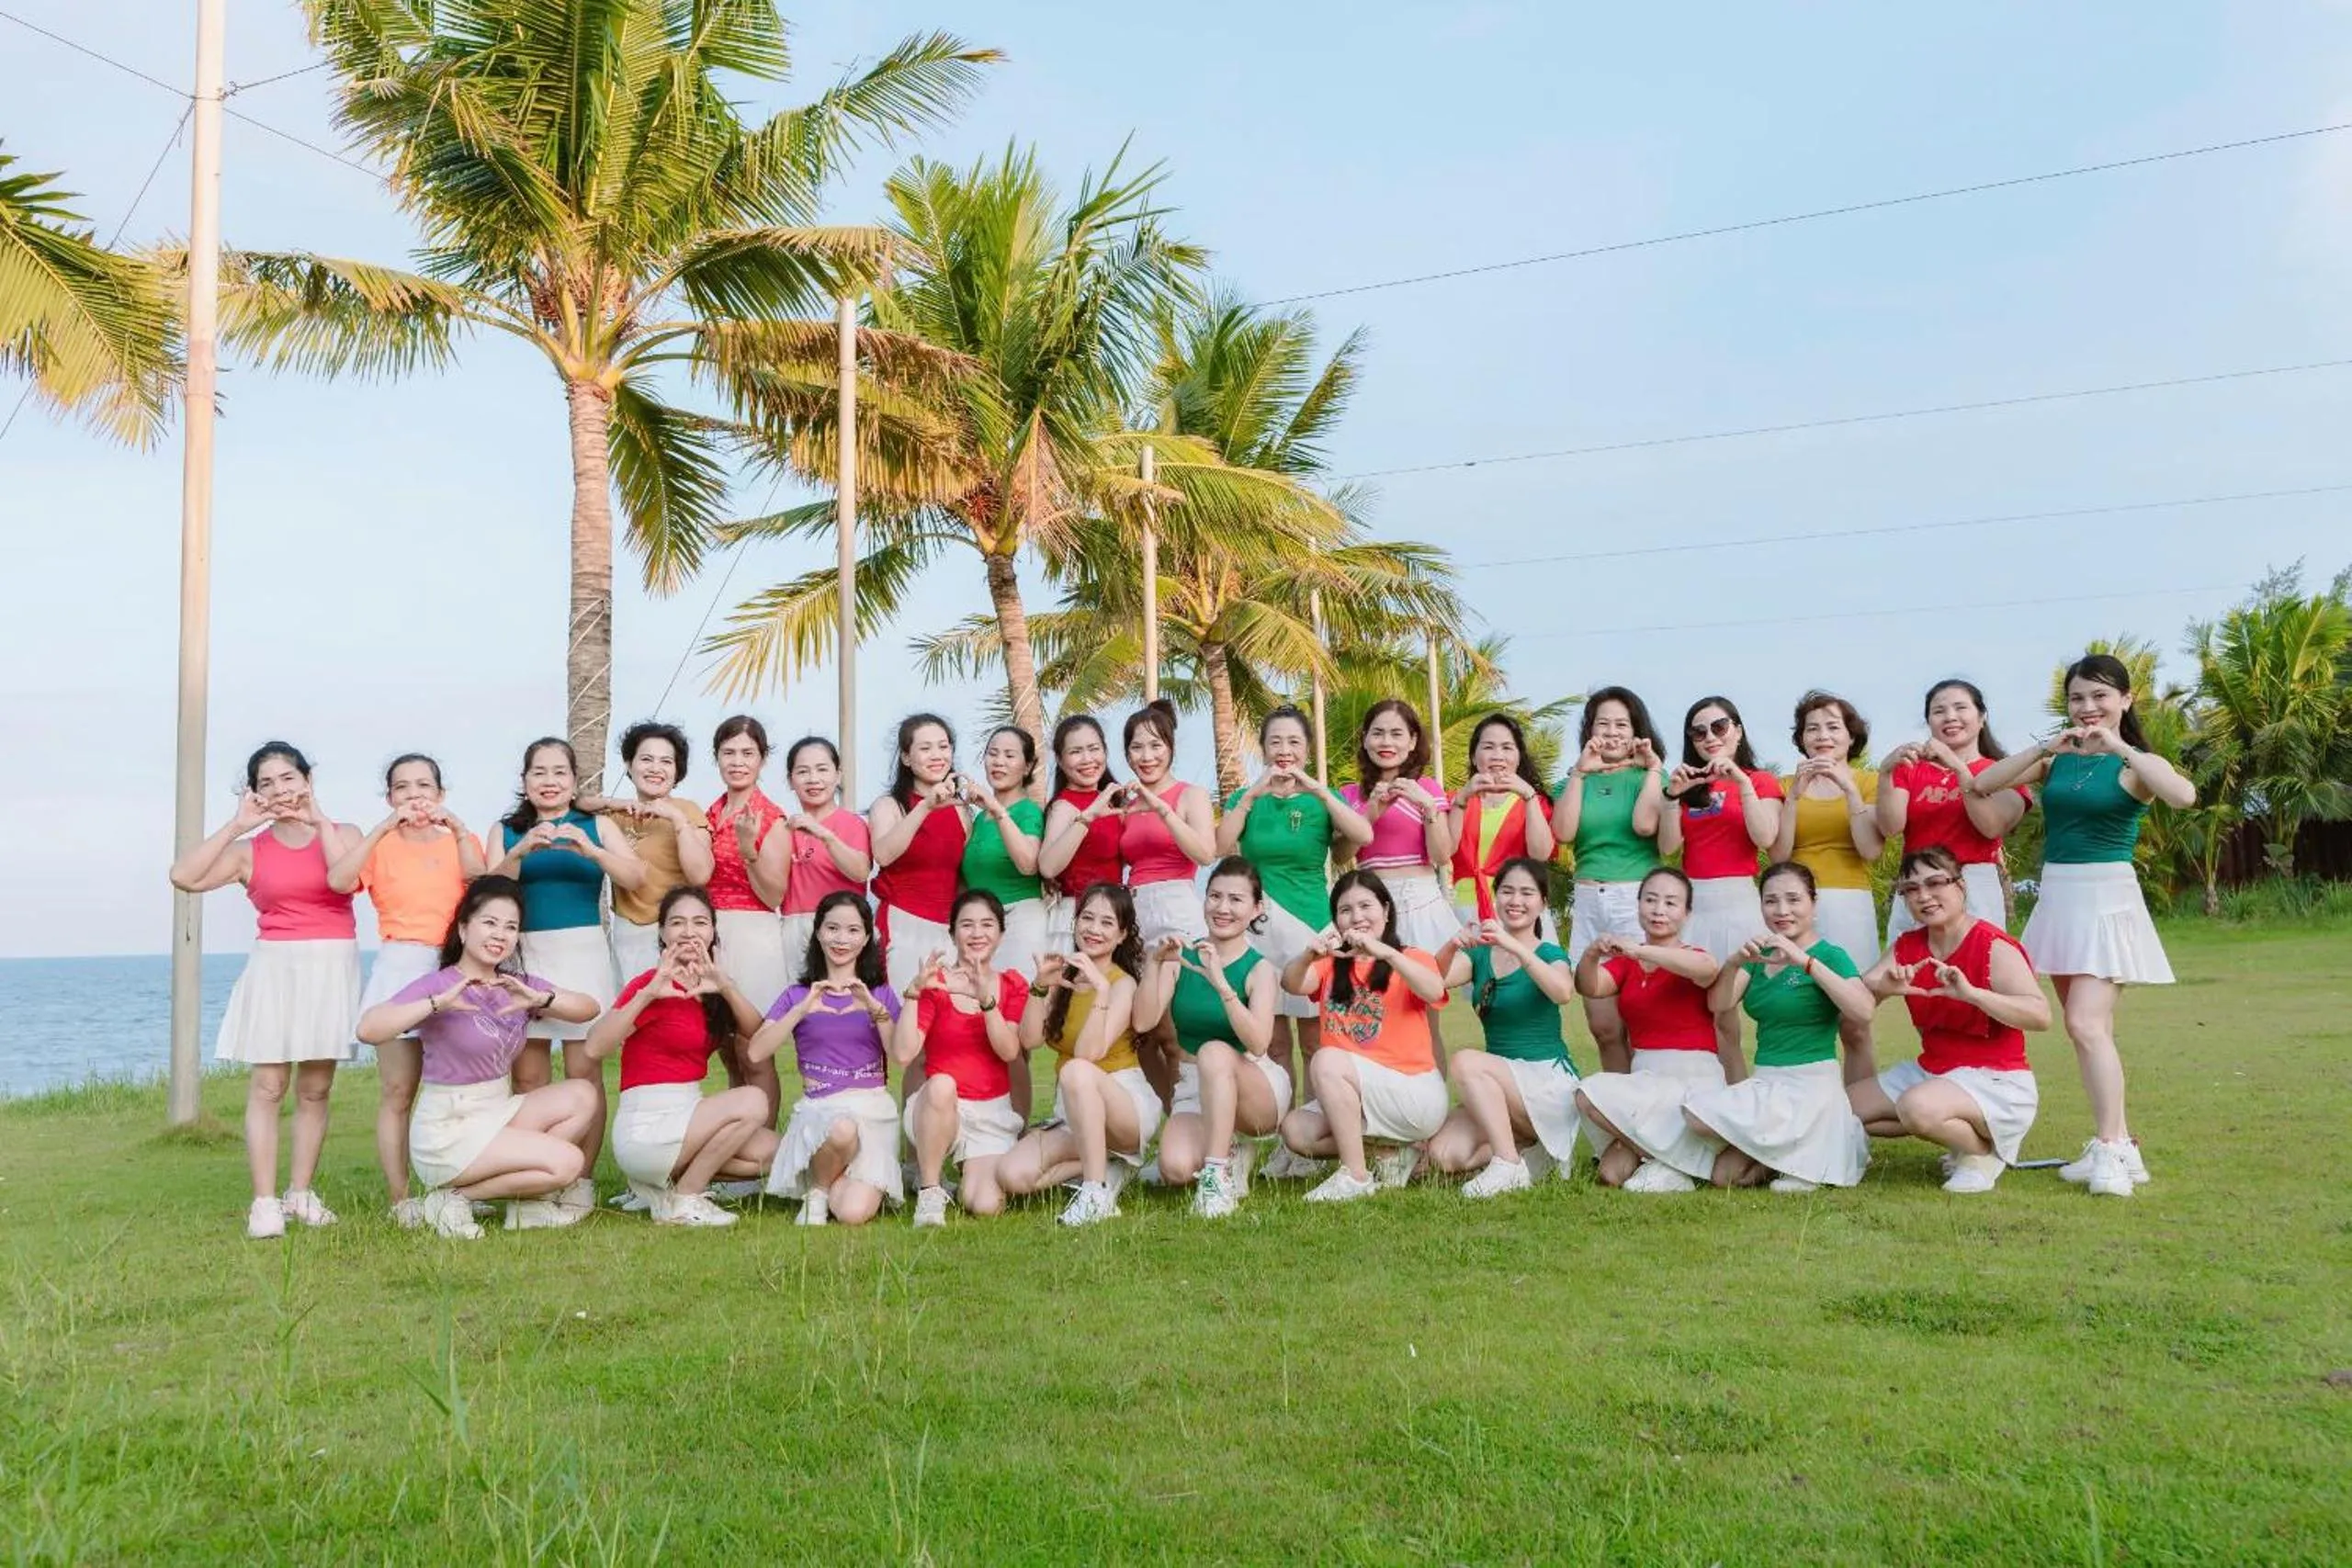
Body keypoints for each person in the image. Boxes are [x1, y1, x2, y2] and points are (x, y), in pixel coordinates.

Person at [1973, 653, 2193, 1197]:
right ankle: (2118, 1145)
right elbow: (1984, 784)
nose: (2088, 707)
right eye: (2078, 698)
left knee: (2085, 1026)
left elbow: (2183, 795)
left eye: (2100, 696)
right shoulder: (2059, 759)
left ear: (2125, 700)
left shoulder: (2132, 765)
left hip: (2107, 900)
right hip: (2060, 898)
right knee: (2090, 1032)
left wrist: (2121, 747)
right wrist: (2047, 746)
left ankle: (2114, 1149)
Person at [170, 742, 367, 1239]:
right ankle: (264, 1202)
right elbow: (183, 876)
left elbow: (345, 884)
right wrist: (238, 825)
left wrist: (318, 821)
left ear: (307, 778)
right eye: (266, 783)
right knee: (269, 1086)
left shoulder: (344, 833)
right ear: (253, 793)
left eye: (288, 778)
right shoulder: (247, 852)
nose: (280, 790)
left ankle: (300, 1192)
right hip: (277, 969)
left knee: (316, 1088)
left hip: (332, 964)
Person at [355, 875, 603, 1239]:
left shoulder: (516, 985)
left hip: (495, 1112)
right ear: (464, 928)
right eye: (489, 923)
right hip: (448, 1127)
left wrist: (540, 1000)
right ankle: (453, 1197)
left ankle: (525, 1206)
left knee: (583, 1094)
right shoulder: (440, 985)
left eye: (510, 927)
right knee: (568, 1163)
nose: (499, 935)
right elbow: (369, 1029)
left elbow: (588, 1008)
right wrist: (437, 1005)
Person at [326, 752, 486, 1225]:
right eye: (402, 787)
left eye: (424, 785)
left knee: (460, 1088)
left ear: (440, 793)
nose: (414, 795)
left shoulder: (462, 838)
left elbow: (482, 879)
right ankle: (401, 1199)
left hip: (454, 967)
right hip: (399, 967)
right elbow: (339, 881)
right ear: (390, 796)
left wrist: (455, 827)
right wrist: (381, 828)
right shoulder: (381, 845)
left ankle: (461, 1187)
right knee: (398, 1091)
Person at [489, 737, 643, 1184]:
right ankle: (537, 1171)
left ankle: (583, 1179)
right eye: (539, 772)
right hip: (525, 956)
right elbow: (486, 890)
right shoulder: (507, 830)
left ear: (575, 781)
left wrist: (591, 850)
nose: (550, 781)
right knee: (529, 1077)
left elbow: (636, 878)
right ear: (525, 781)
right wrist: (519, 852)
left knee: (584, 1074)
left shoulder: (596, 825)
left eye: (560, 772)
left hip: (583, 953)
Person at [1854, 848, 2052, 1194]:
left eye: (1935, 883)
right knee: (1843, 1110)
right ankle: (1959, 1138)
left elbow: (2040, 1015)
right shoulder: (1907, 945)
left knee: (1916, 1108)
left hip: (1997, 1081)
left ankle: (1981, 1153)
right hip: (1933, 1071)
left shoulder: (1993, 945)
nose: (1924, 896)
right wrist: (1882, 988)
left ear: (1960, 886)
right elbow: (1858, 999)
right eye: (1911, 889)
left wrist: (1974, 994)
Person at [1679, 863, 1876, 1191]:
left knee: (1783, 1184)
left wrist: (1806, 962)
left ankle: (1831, 1140)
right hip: (1767, 1081)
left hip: (1812, 1085)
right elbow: (1719, 1004)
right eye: (1771, 901)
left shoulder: (1830, 954)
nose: (1782, 911)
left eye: (1793, 899)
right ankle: (1791, 1155)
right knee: (1721, 1169)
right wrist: (1734, 962)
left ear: (1813, 903)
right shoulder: (1762, 957)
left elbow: (1863, 1010)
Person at [586, 886, 775, 1228]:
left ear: (713, 932)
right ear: (661, 933)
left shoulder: (714, 988)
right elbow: (595, 1047)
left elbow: (759, 1037)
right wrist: (649, 993)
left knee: (769, 1153)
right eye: (677, 923)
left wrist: (726, 987)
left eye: (700, 922)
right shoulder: (649, 985)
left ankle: (658, 1186)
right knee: (752, 1101)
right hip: (645, 1126)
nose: (689, 932)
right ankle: (687, 1198)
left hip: (687, 1118)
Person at [1216, 705, 1372, 1090]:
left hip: (1311, 925)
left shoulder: (1323, 798)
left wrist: (1317, 788)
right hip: (1257, 925)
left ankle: (1316, 1125)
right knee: (1272, 1042)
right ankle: (1281, 1127)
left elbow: (1363, 835)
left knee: (1315, 1039)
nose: (1284, 749)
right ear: (1264, 749)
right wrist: (1252, 795)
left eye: (1294, 742)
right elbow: (1220, 847)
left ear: (1306, 748)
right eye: (1275, 741)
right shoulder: (1245, 797)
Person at [1277, 871, 1452, 1203]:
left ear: (1386, 911)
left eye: (1365, 906)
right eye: (1345, 910)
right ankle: (1389, 1153)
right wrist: (1307, 957)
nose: (1356, 917)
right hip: (1356, 1091)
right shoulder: (1333, 964)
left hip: (1412, 1092)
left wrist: (1385, 953)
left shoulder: (1412, 958)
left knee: (1326, 1059)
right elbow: (1292, 984)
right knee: (1296, 1130)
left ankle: (1354, 1176)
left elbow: (1434, 989)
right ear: (1336, 920)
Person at [998, 885, 1158, 1225]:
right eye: (1087, 918)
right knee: (1013, 1176)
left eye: (1106, 923)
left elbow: (1088, 1054)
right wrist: (1041, 987)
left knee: (1075, 1070)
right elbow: (1029, 1039)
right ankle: (1110, 1166)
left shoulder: (1122, 983)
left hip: (1122, 1105)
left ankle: (1094, 1191)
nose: (1093, 929)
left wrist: (1100, 988)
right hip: (1073, 1109)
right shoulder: (1064, 976)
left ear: (1122, 935)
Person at [1138, 858, 1286, 1218]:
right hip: (1194, 1086)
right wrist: (1155, 966)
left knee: (1215, 1052)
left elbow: (1258, 1043)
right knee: (1174, 1168)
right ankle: (1230, 1152)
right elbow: (1143, 1022)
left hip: (1255, 1086)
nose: (1223, 908)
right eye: (1215, 896)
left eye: (1236, 900)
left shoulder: (1259, 969)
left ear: (1256, 909)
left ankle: (1215, 1176)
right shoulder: (1181, 956)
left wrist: (1220, 982)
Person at [1424, 858, 1581, 1198]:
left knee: (1465, 1060)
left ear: (1543, 903)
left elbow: (1562, 991)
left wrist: (1515, 948)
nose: (1516, 901)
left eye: (1527, 893)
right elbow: (1432, 984)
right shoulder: (1481, 956)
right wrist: (1452, 944)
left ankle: (1507, 1163)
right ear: (1496, 898)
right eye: (1507, 891)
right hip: (1500, 1083)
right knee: (1444, 1155)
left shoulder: (1550, 952)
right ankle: (1528, 1153)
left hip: (1546, 1080)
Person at [749, 891, 902, 1227]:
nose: (841, 939)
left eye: (852, 931)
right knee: (842, 1129)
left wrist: (875, 1010)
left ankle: (832, 1176)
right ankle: (818, 1191)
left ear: (865, 938)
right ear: (818, 933)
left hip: (873, 1108)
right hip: (821, 1109)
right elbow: (756, 1052)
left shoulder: (881, 995)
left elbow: (900, 1055)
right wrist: (800, 1011)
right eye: (832, 928)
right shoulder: (797, 994)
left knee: (853, 1214)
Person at [1572, 868, 1726, 1191]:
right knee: (1611, 1173)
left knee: (1591, 1097)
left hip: (1691, 1078)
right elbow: (1590, 985)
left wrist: (1639, 949)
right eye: (1651, 900)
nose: (1659, 910)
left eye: (1671, 903)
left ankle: (1676, 1162)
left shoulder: (1692, 956)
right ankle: (1668, 1159)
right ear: (1638, 904)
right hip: (1646, 1077)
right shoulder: (1626, 963)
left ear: (1686, 913)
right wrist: (1590, 954)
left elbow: (1709, 970)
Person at [893, 889, 1028, 1226]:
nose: (977, 933)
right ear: (952, 932)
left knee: (983, 1204)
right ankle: (930, 1190)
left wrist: (986, 1001)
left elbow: (1009, 1051)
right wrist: (913, 993)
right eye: (967, 925)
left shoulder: (1012, 984)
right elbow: (904, 1053)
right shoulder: (935, 983)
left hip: (989, 1112)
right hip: (939, 1107)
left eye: (987, 925)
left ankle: (961, 1179)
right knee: (941, 1085)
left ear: (1001, 934)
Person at [1549, 686, 1668, 1073]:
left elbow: (1645, 824)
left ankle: (1648, 1114)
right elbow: (1564, 832)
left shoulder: (1651, 776)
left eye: (1622, 724)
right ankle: (1619, 1112)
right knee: (1603, 1026)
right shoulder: (1572, 781)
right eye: (1604, 724)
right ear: (1589, 730)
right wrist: (1582, 772)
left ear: (1637, 731)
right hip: (1588, 901)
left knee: (1642, 1019)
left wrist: (1652, 769)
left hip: (1635, 899)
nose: (1613, 732)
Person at [1657, 695, 1782, 1055]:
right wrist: (1671, 798)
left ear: (1738, 731)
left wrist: (1742, 783)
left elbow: (1765, 837)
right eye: (1698, 732)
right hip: (1695, 904)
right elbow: (1668, 847)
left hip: (1740, 901)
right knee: (1706, 1017)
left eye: (1719, 727)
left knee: (1735, 1011)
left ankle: (1744, 1095)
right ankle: (1715, 1097)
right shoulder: (1688, 786)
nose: (1710, 737)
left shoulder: (1760, 781)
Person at [1770, 691, 1883, 1083]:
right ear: (1800, 738)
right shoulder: (1783, 784)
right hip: (1793, 906)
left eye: (1833, 727)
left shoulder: (1870, 782)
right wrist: (1794, 798)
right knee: (1798, 1010)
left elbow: (1870, 849)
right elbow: (1778, 856)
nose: (1822, 735)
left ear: (1851, 737)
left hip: (1850, 901)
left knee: (1854, 1022)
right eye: (1812, 728)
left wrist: (1849, 789)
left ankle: (1858, 1117)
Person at [1337, 701, 1459, 1064]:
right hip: (1370, 907)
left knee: (1425, 1014)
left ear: (1412, 741)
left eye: (1396, 733)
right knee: (1372, 1009)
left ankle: (1431, 1102)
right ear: (1365, 739)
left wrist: (1429, 809)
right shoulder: (1349, 795)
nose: (1386, 742)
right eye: (1377, 733)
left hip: (1422, 902)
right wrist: (1371, 810)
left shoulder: (1428, 788)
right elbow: (1343, 855)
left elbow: (1441, 856)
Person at [1876, 678, 2029, 939]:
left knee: (1974, 968)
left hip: (1974, 883)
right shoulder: (1909, 769)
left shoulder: (2001, 771)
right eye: (1939, 711)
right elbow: (1891, 827)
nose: (1950, 717)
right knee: (1909, 971)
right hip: (1918, 881)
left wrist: (1958, 767)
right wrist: (1885, 774)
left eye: (1960, 708)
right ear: (1929, 722)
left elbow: (1991, 827)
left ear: (1981, 718)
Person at [702, 715, 790, 1121]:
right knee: (725, 1046)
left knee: (751, 1049)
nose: (737, 761)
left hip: (753, 932)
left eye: (747, 753)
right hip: (712, 934)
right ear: (717, 758)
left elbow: (774, 893)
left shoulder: (771, 817)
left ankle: (764, 1147)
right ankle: (740, 1143)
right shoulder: (710, 811)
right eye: (728, 753)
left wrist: (748, 848)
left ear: (762, 759)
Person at [581, 720, 712, 983]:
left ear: (677, 771)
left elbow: (700, 875)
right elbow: (575, 802)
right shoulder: (616, 816)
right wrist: (614, 802)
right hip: (627, 932)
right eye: (646, 759)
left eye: (666, 761)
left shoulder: (687, 811)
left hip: (674, 934)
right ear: (630, 765)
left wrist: (675, 819)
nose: (655, 768)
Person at [868, 714, 969, 999]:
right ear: (906, 757)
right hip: (903, 924)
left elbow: (961, 876)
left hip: (948, 930)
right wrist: (925, 807)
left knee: (946, 1019)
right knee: (904, 1013)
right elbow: (884, 854)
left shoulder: (961, 810)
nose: (937, 755)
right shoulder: (888, 805)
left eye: (943, 746)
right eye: (925, 749)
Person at [1446, 714, 1557, 931]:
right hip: (1464, 909)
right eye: (1488, 747)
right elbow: (1444, 850)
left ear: (1518, 757)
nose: (1498, 756)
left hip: (1517, 907)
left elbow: (1541, 853)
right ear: (1473, 756)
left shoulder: (1536, 802)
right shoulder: (1454, 800)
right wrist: (1461, 800)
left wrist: (1529, 796)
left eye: (1507, 748)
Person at [963, 726, 1050, 979]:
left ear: (1027, 766)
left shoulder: (1029, 812)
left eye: (1010, 756)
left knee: (1016, 1003)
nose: (999, 762)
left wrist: (997, 809)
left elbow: (1028, 864)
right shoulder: (979, 820)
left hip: (1020, 921)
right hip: (981, 926)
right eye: (993, 753)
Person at [775, 736, 872, 964]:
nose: (813, 779)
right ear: (790, 780)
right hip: (793, 927)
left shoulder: (853, 823)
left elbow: (860, 871)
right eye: (802, 772)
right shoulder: (784, 828)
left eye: (822, 769)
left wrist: (824, 835)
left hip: (841, 929)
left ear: (838, 775)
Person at [1037, 714, 1126, 948]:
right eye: (1076, 752)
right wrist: (1086, 818)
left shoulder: (1113, 803)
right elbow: (1047, 866)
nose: (1087, 759)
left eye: (1094, 749)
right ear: (1059, 759)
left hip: (1113, 918)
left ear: (1105, 752)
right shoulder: (1064, 806)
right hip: (1077, 920)